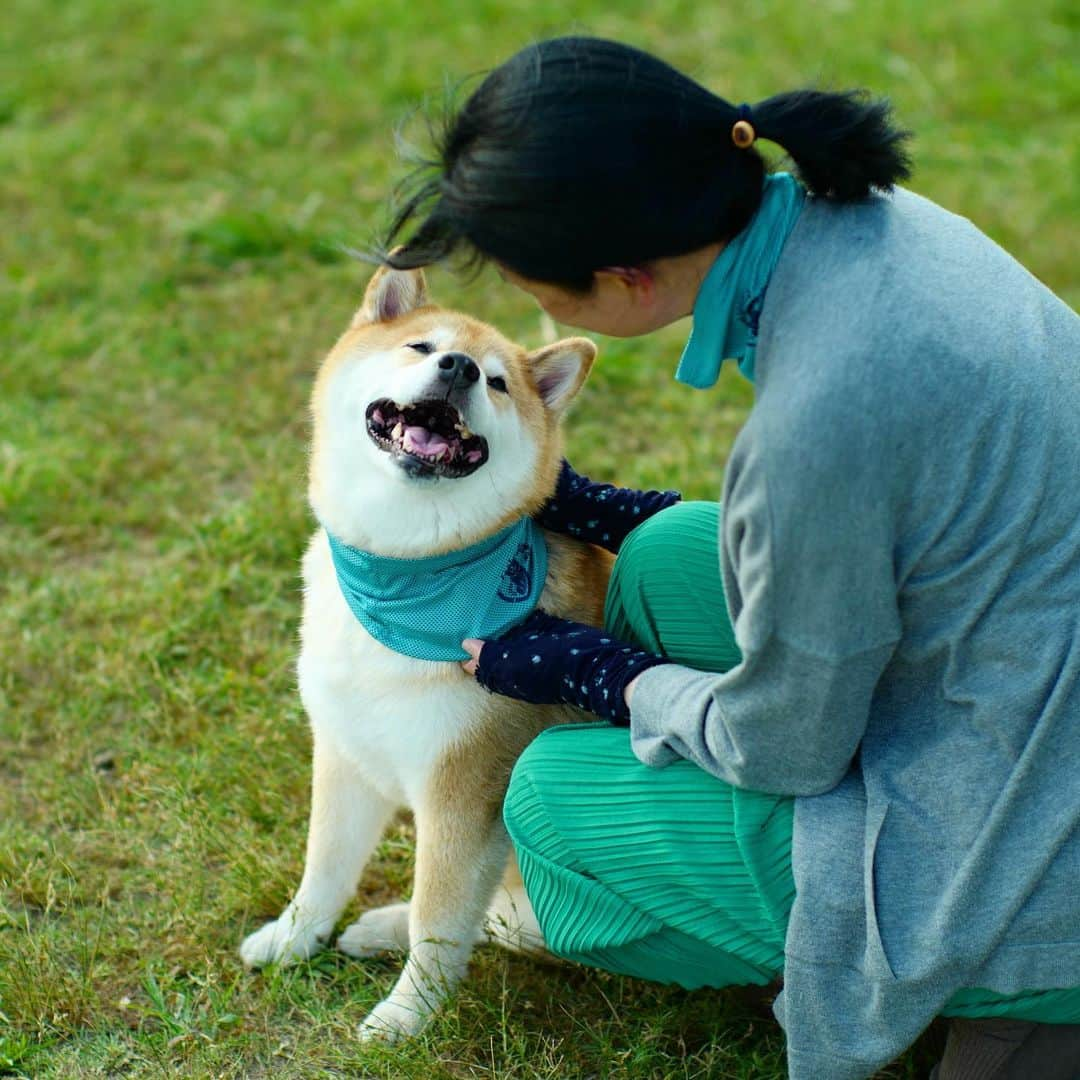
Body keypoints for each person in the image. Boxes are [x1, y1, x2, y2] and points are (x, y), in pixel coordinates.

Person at [379, 36, 1080, 1080]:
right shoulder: (872, 220)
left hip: (1031, 821)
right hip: (1026, 664)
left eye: (535, 286)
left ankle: (1021, 987)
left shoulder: (816, 420)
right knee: (662, 555)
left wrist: (603, 674)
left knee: (556, 801)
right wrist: (613, 516)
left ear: (623, 278)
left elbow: (789, 747)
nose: (530, 317)